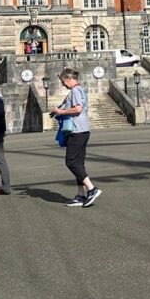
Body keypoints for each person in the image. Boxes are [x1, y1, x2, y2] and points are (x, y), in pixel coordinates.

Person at [51, 68, 102, 207]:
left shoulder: (75, 91)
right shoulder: (79, 90)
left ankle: (92, 189)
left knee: (71, 162)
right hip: (83, 129)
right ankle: (81, 195)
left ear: (69, 78)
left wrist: (61, 111)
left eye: (63, 81)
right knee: (79, 163)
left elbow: (78, 109)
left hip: (77, 130)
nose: (63, 84)